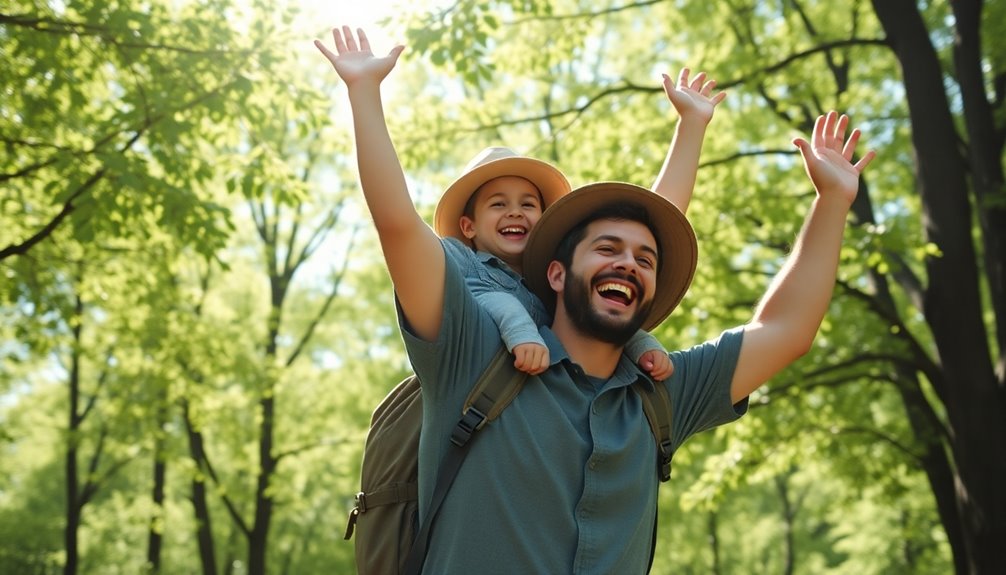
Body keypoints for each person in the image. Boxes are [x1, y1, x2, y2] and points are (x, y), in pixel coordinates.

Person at [318, 24, 875, 573]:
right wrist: (364, 93)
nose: (628, 263)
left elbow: (787, 331)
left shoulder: (657, 398)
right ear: (556, 274)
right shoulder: (474, 354)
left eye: (645, 260)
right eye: (607, 248)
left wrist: (832, 202)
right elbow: (398, 226)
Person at [315, 26, 725, 378]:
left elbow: (648, 227)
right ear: (468, 226)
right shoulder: (459, 267)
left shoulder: (561, 278)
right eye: (497, 204)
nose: (515, 211)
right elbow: (397, 221)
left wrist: (691, 125)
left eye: (529, 204)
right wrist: (364, 91)